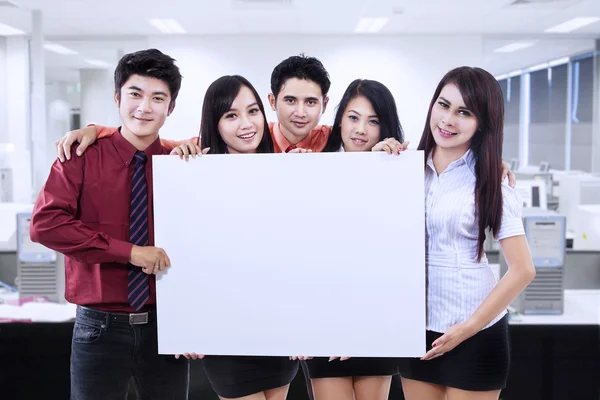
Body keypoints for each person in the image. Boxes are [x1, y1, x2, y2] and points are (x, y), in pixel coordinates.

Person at [29, 49, 189, 399]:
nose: (144, 107)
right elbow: (45, 224)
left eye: (158, 98)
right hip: (97, 327)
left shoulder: (181, 165)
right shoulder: (79, 157)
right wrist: (130, 253)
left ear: (170, 108)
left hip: (167, 326)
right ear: (117, 97)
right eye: (135, 94)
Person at [398, 66, 536, 400]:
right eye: (443, 105)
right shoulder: (404, 169)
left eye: (464, 112)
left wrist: (469, 327)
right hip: (416, 331)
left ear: (483, 122)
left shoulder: (491, 181)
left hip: (475, 332)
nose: (447, 119)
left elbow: (523, 269)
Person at [174, 74, 300, 400]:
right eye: (231, 115)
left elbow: (302, 254)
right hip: (224, 329)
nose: (246, 123)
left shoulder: (287, 172)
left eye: (253, 111)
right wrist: (185, 325)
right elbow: (187, 257)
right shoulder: (193, 175)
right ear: (214, 124)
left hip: (279, 327)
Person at [305, 78, 406, 400]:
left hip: (376, 318)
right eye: (353, 117)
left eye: (373, 121)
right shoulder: (314, 170)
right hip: (327, 318)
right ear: (339, 120)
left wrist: (381, 169)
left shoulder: (399, 171)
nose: (361, 129)